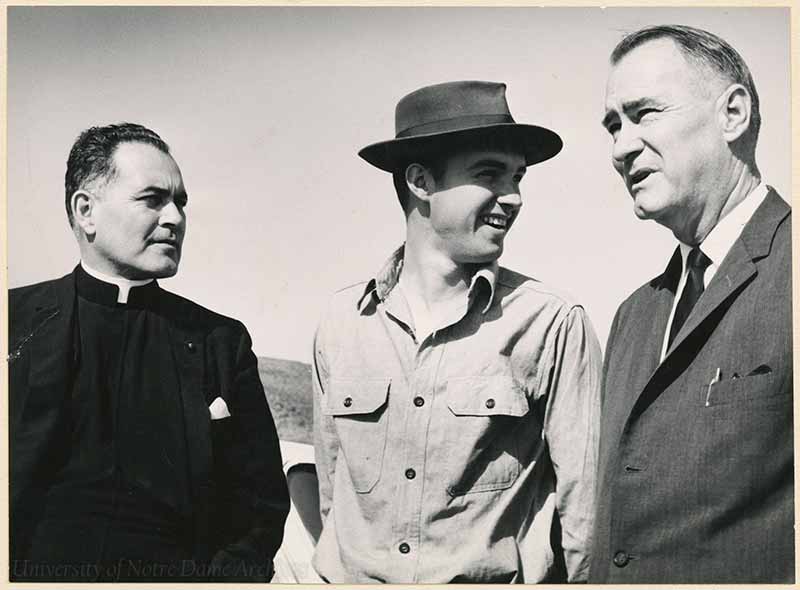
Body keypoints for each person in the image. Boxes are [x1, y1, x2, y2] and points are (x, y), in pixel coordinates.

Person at [311, 80, 602, 583]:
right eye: (490, 173)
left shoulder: (552, 322)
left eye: (518, 178)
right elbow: (333, 496)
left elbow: (586, 515)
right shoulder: (342, 324)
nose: (512, 198)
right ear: (421, 182)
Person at [9, 123, 290, 582]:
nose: (175, 218)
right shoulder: (12, 324)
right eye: (153, 199)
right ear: (86, 211)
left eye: (180, 202)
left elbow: (260, 509)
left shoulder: (222, 342)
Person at [592, 25, 793, 583]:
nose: (620, 147)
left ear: (733, 113)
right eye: (613, 125)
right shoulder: (633, 316)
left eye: (645, 113)